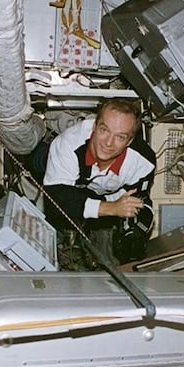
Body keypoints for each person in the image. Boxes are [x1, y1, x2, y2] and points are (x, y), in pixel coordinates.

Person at [42, 99, 156, 266]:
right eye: (104, 130)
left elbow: (137, 201)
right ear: (94, 127)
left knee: (136, 232)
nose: (108, 143)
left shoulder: (142, 161)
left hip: (110, 195)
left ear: (130, 141)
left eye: (120, 137)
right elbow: (55, 199)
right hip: (71, 184)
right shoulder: (68, 144)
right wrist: (110, 208)